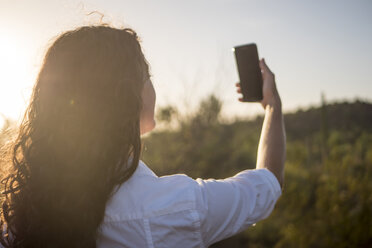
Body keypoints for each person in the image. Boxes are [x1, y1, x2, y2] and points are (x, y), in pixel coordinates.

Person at [0, 24, 285, 248]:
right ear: (127, 97)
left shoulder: (17, 214)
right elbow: (267, 184)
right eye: (147, 75)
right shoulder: (173, 208)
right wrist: (273, 106)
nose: (152, 86)